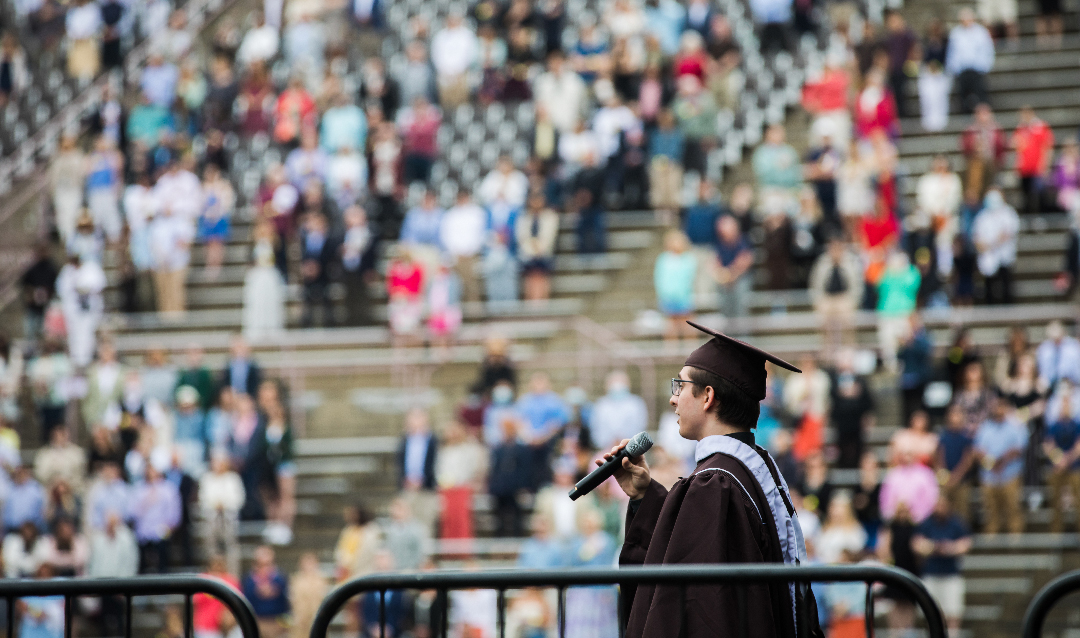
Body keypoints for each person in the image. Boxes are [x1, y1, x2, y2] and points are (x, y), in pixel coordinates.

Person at [609, 321, 822, 638]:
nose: (673, 399)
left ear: (707, 396)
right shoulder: (749, 468)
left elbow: (696, 604)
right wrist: (645, 497)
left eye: (680, 386)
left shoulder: (715, 484)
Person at [913, 498, 972, 633]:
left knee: (953, 611)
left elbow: (966, 543)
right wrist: (933, 547)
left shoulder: (956, 522)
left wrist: (950, 548)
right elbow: (916, 544)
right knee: (931, 612)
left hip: (951, 574)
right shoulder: (927, 523)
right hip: (931, 573)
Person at [974, 395, 1027, 534]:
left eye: (1001, 406)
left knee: (1013, 509)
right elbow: (978, 450)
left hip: (1010, 474)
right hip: (989, 476)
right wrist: (992, 463)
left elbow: (1018, 449)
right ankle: (992, 545)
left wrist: (1001, 461)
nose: (998, 409)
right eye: (996, 406)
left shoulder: (1016, 426)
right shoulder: (984, 427)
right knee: (990, 511)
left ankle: (1016, 542)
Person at [808, 239, 863, 359]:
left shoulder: (850, 262)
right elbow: (815, 284)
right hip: (827, 299)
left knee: (848, 316)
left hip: (844, 298)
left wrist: (854, 301)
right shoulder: (822, 262)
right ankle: (826, 350)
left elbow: (857, 286)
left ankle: (849, 348)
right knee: (822, 316)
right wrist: (817, 301)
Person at [198, 452, 245, 575]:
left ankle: (233, 574)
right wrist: (215, 505)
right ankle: (213, 573)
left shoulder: (232, 478)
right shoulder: (207, 479)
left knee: (231, 547)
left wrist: (225, 504)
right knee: (211, 548)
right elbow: (203, 499)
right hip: (212, 518)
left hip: (228, 517)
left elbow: (239, 499)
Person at [972, 187, 1019, 304]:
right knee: (989, 287)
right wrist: (985, 246)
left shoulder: (1008, 213)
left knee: (1006, 286)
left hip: (1004, 256)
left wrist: (990, 244)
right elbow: (977, 237)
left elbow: (1007, 233)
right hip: (988, 257)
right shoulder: (982, 216)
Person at [1043, 387, 1080, 533]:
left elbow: (1078, 445)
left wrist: (1067, 459)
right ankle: (1056, 533)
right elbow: (1048, 445)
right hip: (1057, 468)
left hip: (1075, 468)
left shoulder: (1076, 425)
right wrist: (1059, 460)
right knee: (1055, 502)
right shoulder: (1053, 426)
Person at [946, 9, 994, 114]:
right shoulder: (956, 33)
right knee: (963, 96)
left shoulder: (981, 32)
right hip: (962, 70)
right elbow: (952, 53)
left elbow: (988, 50)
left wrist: (985, 66)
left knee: (981, 96)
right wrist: (954, 68)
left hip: (978, 70)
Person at [654, 230, 698, 341]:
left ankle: (692, 349)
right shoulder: (664, 259)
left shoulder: (688, 259)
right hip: (668, 296)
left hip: (684, 296)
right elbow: (660, 278)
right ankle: (670, 350)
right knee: (670, 325)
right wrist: (663, 294)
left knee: (688, 324)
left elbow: (689, 278)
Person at [515, 193, 559, 301]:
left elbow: (549, 236)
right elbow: (521, 236)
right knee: (530, 275)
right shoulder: (524, 217)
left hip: (544, 253)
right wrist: (532, 248)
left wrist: (538, 247)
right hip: (528, 253)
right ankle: (531, 301)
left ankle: (542, 302)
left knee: (541, 274)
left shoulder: (550, 216)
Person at [1012, 106, 1055, 215]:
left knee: (1039, 193)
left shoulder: (1040, 127)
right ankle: (1029, 215)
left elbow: (1047, 147)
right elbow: (1017, 148)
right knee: (1026, 194)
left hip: (1037, 167)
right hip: (1025, 168)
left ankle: (1042, 215)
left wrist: (1045, 165)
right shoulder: (1020, 128)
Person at [590, 371, 649, 451]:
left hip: (632, 449)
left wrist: (625, 441)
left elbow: (641, 426)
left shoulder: (636, 403)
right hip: (606, 449)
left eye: (621, 382)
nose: (617, 387)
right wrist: (609, 441)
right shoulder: (601, 405)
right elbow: (596, 428)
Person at [243, 545, 291, 638]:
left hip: (277, 623)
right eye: (261, 564)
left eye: (268, 564)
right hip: (257, 622)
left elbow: (286, 602)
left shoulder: (280, 578)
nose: (265, 568)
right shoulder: (249, 580)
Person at [713, 216, 754, 320]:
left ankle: (742, 335)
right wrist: (722, 274)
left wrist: (731, 274)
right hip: (725, 281)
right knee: (725, 309)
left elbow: (745, 260)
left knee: (740, 309)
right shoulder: (720, 242)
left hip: (740, 278)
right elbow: (716, 261)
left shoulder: (742, 240)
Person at [289, 552, 329, 638]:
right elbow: (295, 599)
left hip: (316, 615)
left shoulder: (321, 579)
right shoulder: (297, 579)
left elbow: (321, 597)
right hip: (301, 617)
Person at [1037, 320, 1080, 390]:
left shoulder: (1073, 346)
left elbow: (1077, 370)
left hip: (1072, 383)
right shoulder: (1044, 349)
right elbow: (1043, 371)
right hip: (1051, 386)